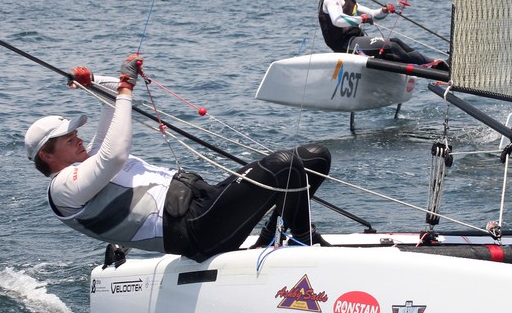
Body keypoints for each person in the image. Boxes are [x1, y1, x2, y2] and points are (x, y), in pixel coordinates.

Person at [24, 54, 332, 261]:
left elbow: (110, 100)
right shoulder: (63, 188)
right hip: (194, 231)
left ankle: (275, 234)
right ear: (47, 156)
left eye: (76, 133)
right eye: (69, 139)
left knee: (315, 158)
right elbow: (116, 153)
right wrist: (126, 87)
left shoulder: (88, 159)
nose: (78, 138)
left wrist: (91, 80)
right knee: (283, 166)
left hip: (205, 203)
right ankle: (301, 238)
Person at [318, 0, 445, 68]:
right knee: (390, 46)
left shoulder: (349, 0)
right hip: (343, 43)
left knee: (396, 41)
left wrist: (384, 11)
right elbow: (337, 20)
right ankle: (429, 65)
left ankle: (434, 62)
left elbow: (372, 15)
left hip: (354, 40)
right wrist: (361, 19)